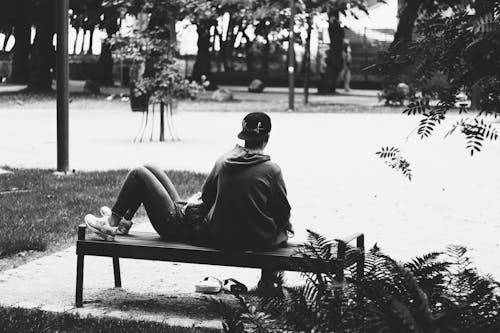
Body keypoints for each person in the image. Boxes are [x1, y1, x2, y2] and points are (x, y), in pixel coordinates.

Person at [84, 112, 293, 285]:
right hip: (245, 237)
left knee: (140, 173)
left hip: (184, 229)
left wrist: (198, 204)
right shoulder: (272, 170)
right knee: (152, 168)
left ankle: (111, 223)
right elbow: (282, 211)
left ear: (243, 136)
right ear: (266, 138)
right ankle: (124, 220)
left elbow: (207, 197)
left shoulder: (225, 161)